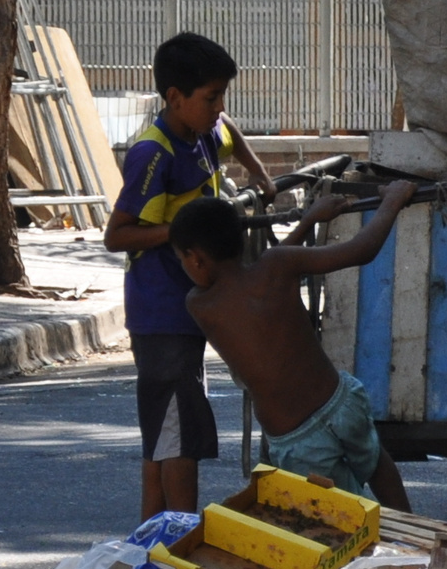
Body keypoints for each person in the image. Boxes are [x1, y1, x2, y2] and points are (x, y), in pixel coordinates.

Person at [104, 33, 276, 521]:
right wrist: (181, 231)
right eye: (211, 97)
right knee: (177, 436)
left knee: (165, 433)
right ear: (174, 97)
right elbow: (116, 236)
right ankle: (180, 540)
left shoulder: (203, 132)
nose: (219, 107)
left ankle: (152, 542)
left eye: (223, 95)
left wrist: (259, 174)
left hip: (186, 308)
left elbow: (230, 131)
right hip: (160, 310)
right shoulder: (153, 153)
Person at [167, 186, 415, 510]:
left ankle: (388, 554)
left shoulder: (201, 304)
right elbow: (361, 250)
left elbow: (255, 281)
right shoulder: (277, 266)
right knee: (379, 468)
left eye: (181, 258)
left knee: (339, 518)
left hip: (300, 442)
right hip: (341, 404)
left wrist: (308, 222)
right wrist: (392, 201)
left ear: (196, 259)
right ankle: (413, 536)